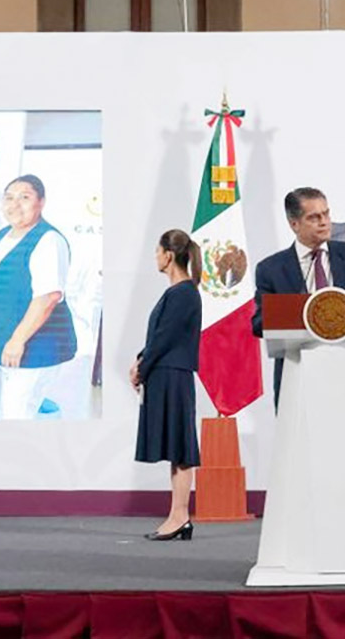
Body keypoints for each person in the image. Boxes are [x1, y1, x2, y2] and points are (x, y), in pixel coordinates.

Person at [251, 187, 345, 407]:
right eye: (314, 217)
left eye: (326, 214)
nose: (324, 222)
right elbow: (258, 324)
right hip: (296, 374)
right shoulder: (271, 269)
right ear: (294, 224)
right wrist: (301, 313)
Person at [0, 175, 77, 420]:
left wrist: (17, 340)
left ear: (41, 202)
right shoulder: (2, 235)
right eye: (9, 198)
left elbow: (48, 297)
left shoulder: (48, 240)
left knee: (16, 415)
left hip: (31, 348)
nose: (15, 204)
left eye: (25, 197)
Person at [130, 229, 203, 542]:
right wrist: (141, 360)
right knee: (176, 446)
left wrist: (142, 367)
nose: (155, 257)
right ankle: (177, 515)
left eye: (158, 251)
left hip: (173, 374)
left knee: (180, 447)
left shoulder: (183, 293)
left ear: (169, 255)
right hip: (167, 373)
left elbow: (164, 338)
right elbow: (159, 337)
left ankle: (180, 515)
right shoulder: (178, 292)